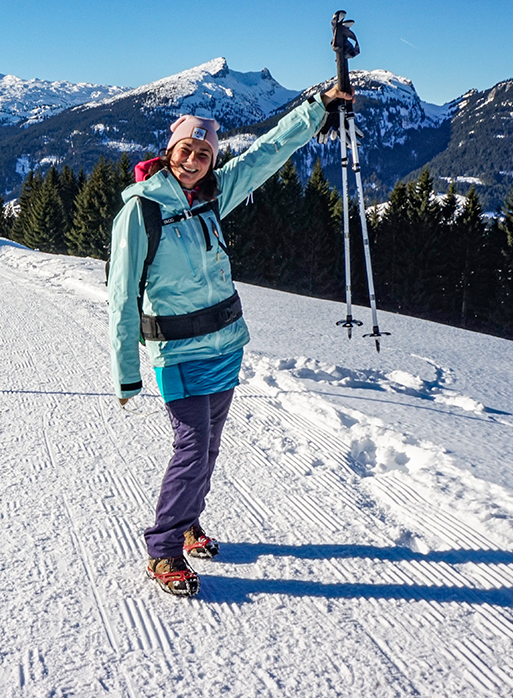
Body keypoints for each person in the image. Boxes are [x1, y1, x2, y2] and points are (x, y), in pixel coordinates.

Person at [107, 84, 352, 597]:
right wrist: (126, 369)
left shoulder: (214, 194)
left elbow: (267, 153)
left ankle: (189, 522)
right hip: (177, 352)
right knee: (192, 447)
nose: (194, 160)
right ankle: (164, 549)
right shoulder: (142, 211)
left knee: (210, 446)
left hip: (224, 344)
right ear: (168, 152)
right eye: (186, 151)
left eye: (204, 154)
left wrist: (318, 108)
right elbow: (120, 297)